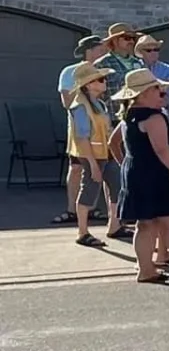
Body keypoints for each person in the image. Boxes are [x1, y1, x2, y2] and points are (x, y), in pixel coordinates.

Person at [113, 69, 169, 282]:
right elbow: (162, 150)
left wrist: (127, 164)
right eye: (157, 89)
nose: (162, 93)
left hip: (136, 175)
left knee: (145, 224)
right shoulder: (153, 117)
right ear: (143, 93)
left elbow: (114, 143)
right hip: (158, 176)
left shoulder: (128, 116)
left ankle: (145, 269)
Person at [63, 63, 119, 249]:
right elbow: (82, 137)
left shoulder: (98, 103)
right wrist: (93, 164)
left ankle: (114, 225)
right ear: (88, 84)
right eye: (100, 79)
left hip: (105, 154)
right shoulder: (80, 106)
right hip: (93, 156)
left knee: (116, 185)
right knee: (88, 190)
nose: (105, 82)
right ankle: (83, 231)